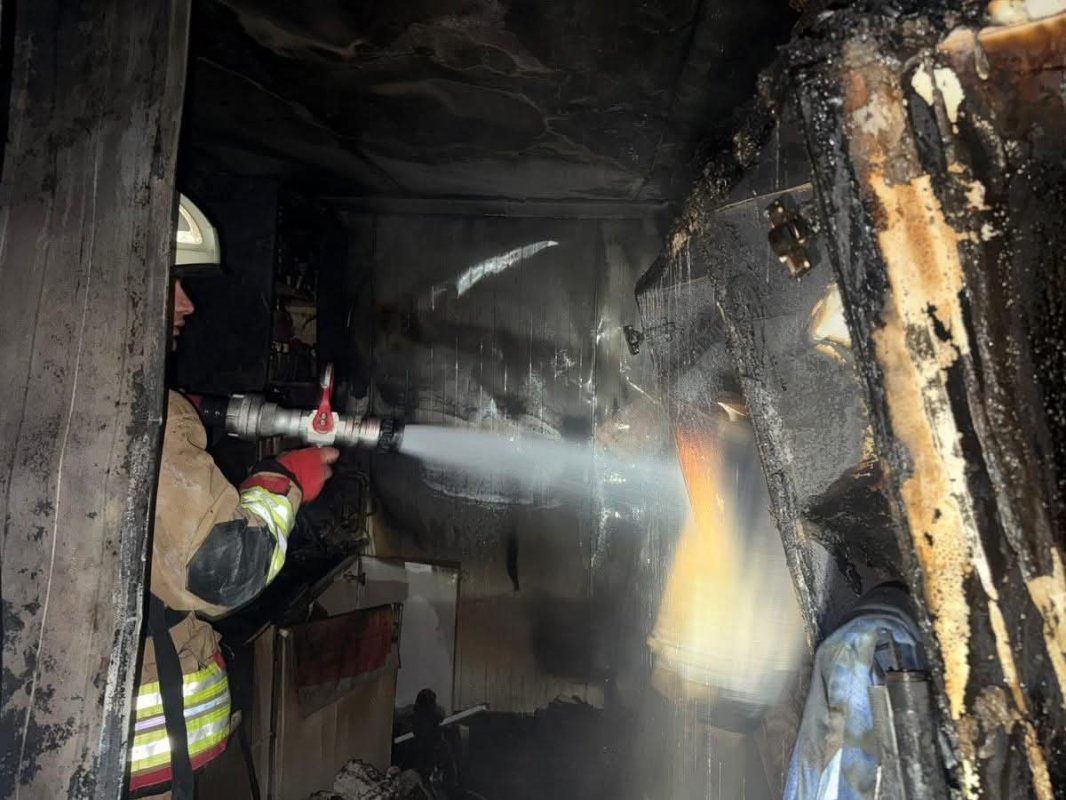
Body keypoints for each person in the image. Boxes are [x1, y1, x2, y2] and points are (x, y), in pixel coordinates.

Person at [127, 277, 339, 798]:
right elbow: (225, 571)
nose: (186, 302)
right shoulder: (141, 409)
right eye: (166, 275)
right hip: (130, 765)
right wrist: (283, 482)